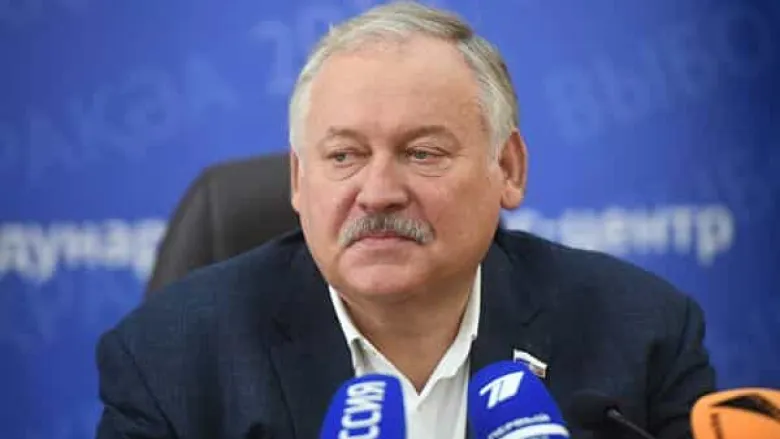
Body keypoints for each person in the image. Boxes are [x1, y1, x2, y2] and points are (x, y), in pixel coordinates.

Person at [94, 2, 716, 438]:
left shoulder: (641, 335)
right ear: (298, 181)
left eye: (422, 153)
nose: (379, 193)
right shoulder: (171, 360)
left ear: (508, 168)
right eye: (344, 156)